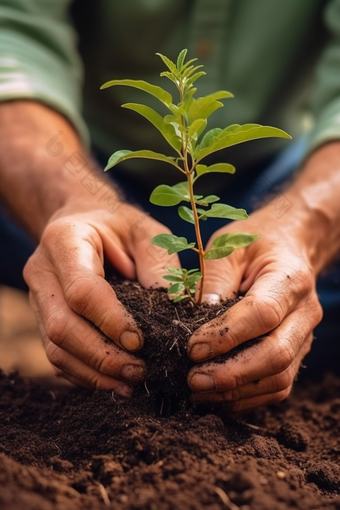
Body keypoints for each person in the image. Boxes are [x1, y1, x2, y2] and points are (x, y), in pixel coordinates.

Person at [0, 0, 340, 413]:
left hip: (275, 182)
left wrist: (304, 226)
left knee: (283, 310)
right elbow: (11, 36)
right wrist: (68, 200)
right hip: (82, 167)